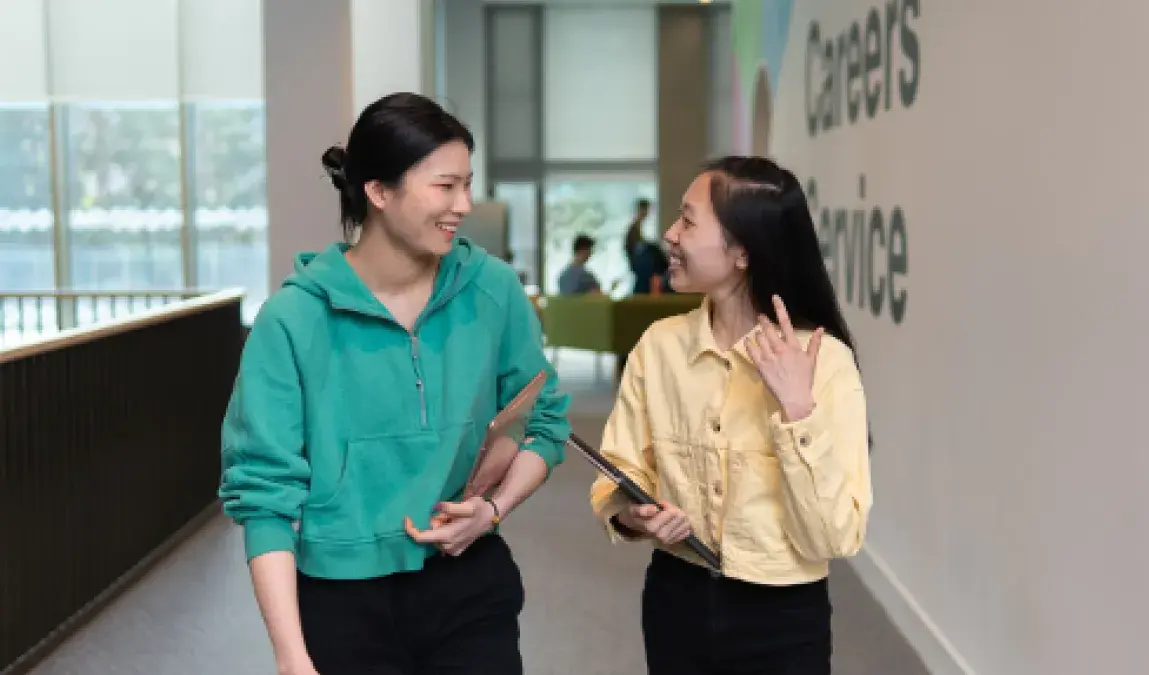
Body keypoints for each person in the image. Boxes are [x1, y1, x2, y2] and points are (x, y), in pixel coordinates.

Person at [218, 92, 570, 675]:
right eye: (445, 186)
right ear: (379, 192)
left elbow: (546, 417)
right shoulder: (293, 319)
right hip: (343, 596)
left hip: (469, 579)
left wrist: (494, 509)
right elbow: (263, 496)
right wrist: (290, 654)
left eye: (467, 184)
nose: (463, 204)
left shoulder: (492, 290)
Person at [589, 156, 872, 675]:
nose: (670, 234)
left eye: (688, 220)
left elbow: (835, 537)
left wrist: (797, 409)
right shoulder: (658, 347)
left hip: (783, 615)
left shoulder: (823, 362)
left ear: (742, 249)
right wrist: (636, 515)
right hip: (676, 598)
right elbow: (619, 471)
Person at [624, 198, 671, 294]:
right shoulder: (633, 229)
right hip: (641, 269)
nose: (646, 213)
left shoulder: (638, 227)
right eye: (645, 210)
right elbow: (633, 250)